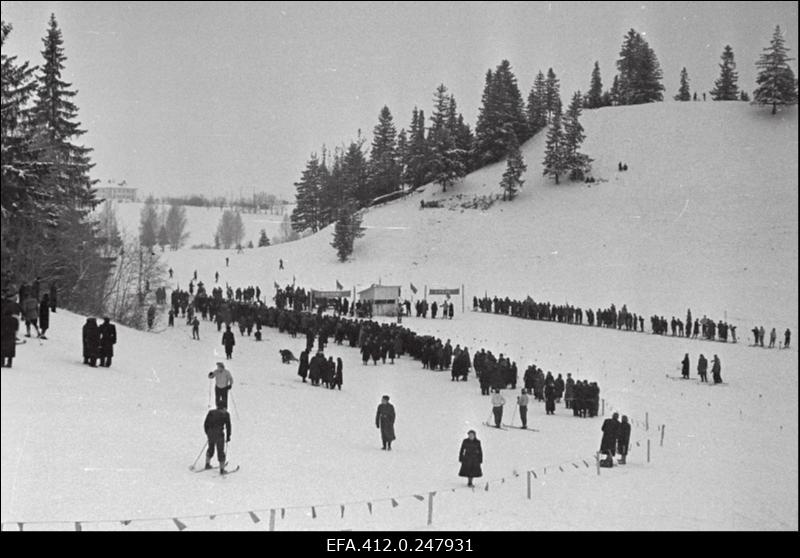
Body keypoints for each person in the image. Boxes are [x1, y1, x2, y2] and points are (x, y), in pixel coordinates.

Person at [203, 404, 232, 473]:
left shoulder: (211, 412)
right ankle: (222, 469)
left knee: (211, 448)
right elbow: (228, 426)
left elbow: (205, 423)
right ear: (223, 408)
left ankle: (207, 464)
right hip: (219, 435)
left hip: (210, 433)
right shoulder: (226, 414)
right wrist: (228, 437)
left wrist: (208, 433)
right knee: (220, 451)